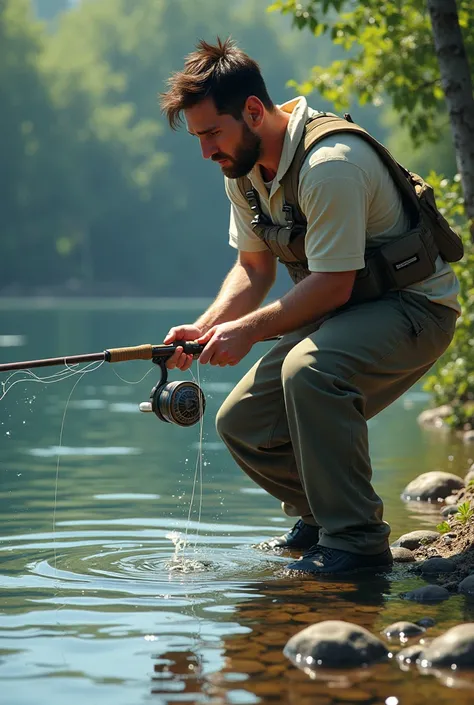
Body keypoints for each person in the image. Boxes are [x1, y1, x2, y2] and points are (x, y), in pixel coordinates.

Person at [159, 37, 460, 575]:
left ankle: (357, 541)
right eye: (199, 138)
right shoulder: (243, 170)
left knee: (310, 372)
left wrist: (247, 332)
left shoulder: (330, 164)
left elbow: (332, 286)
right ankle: (320, 518)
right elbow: (254, 271)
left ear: (253, 111)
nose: (206, 151)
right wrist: (204, 328)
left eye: (211, 134)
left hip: (416, 310)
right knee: (243, 422)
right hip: (347, 315)